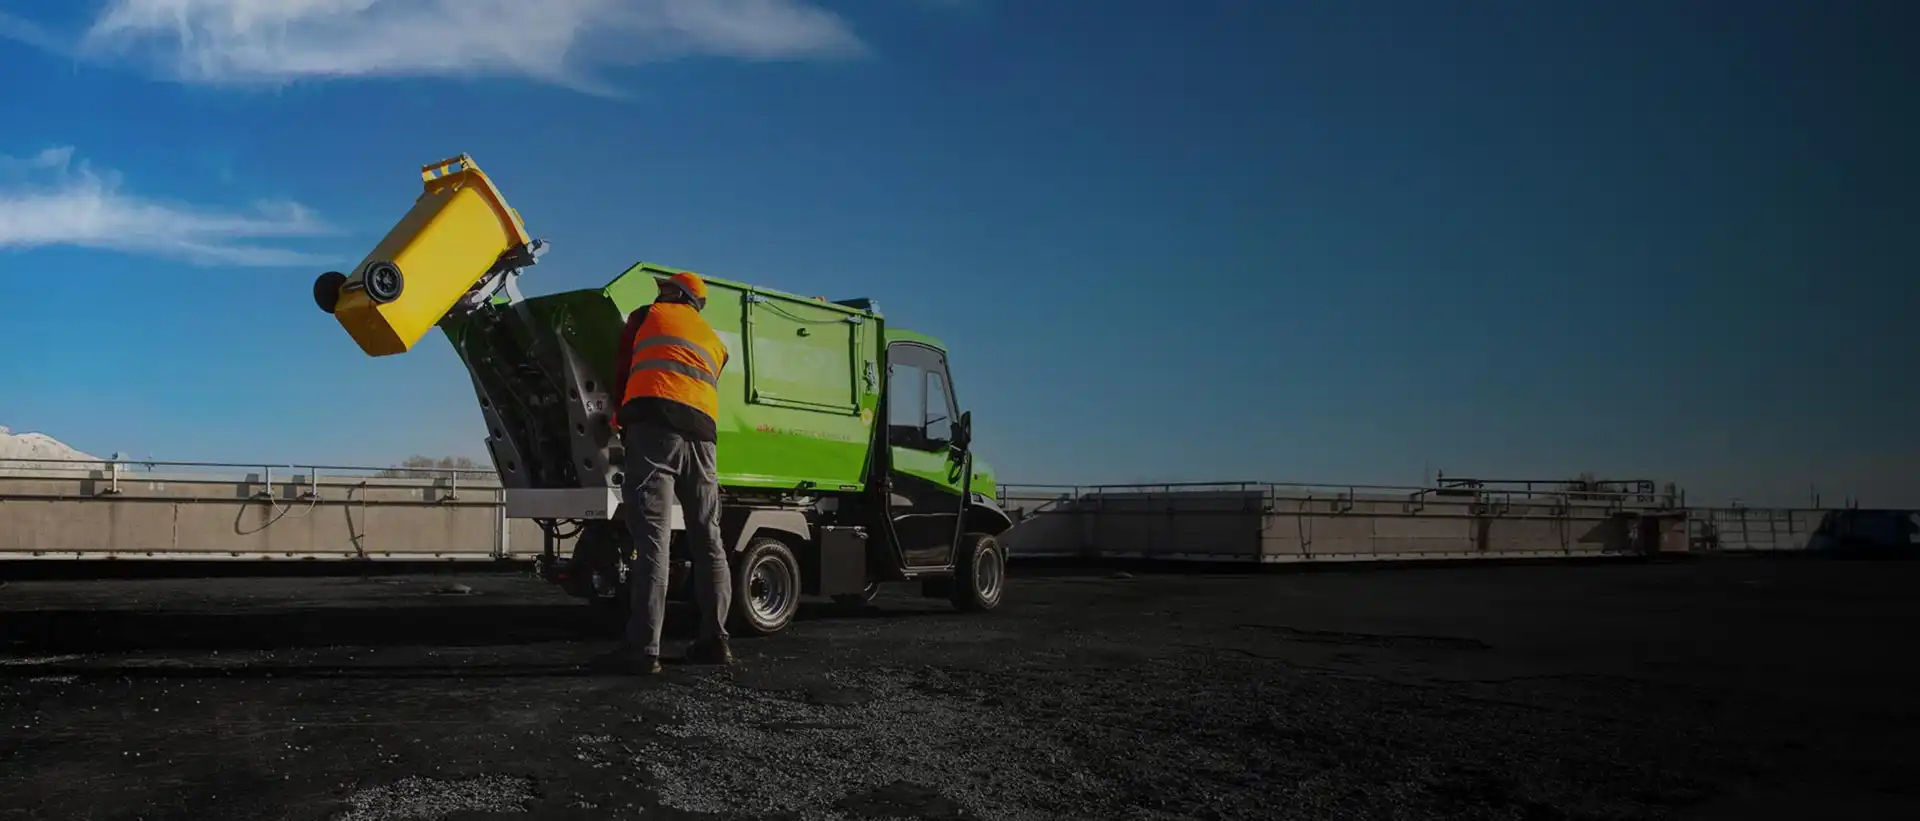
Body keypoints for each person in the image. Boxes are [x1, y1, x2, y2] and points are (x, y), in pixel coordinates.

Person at [592, 271, 733, 675]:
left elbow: (623, 367)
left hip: (655, 428)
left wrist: (619, 417)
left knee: (653, 537)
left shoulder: (645, 316)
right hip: (704, 438)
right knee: (709, 536)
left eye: (666, 289)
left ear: (676, 294)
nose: (660, 292)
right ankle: (715, 641)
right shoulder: (713, 340)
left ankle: (644, 650)